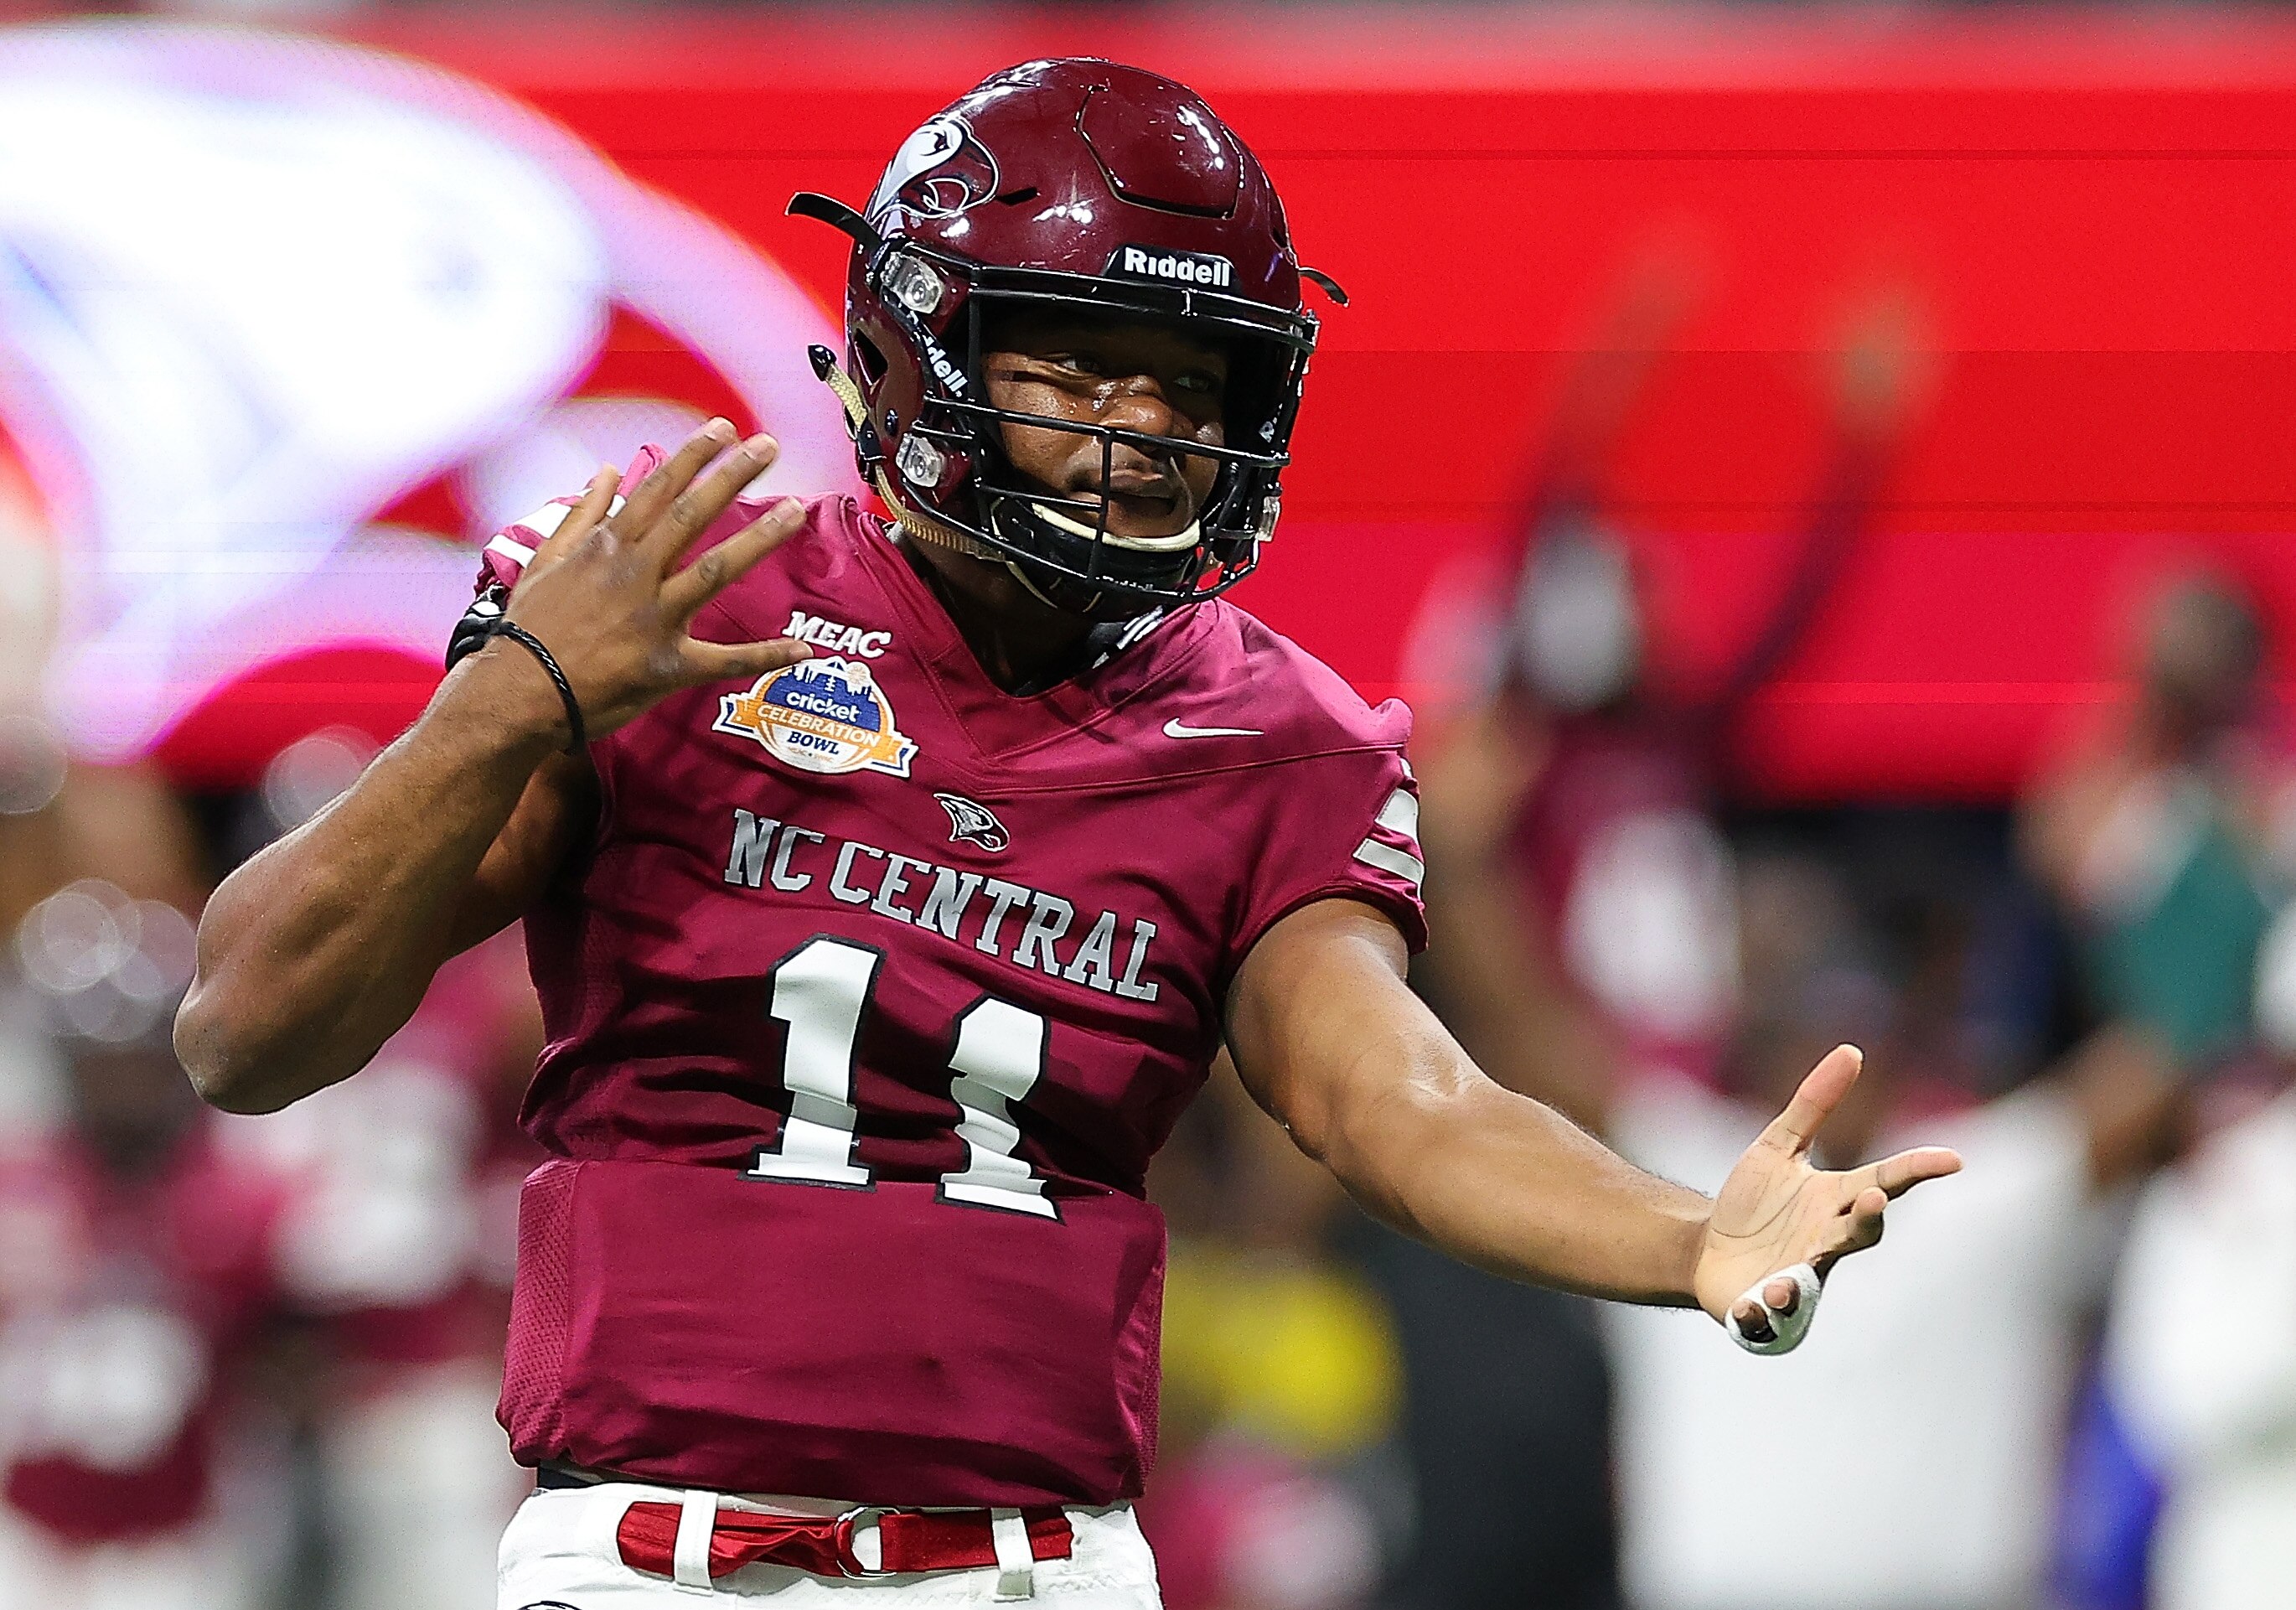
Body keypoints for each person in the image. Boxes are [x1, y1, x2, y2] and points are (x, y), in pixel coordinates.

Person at [176, 60, 1960, 1608]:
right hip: (651, 1554)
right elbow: (245, 1029)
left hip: (1042, 1563)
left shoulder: (1278, 733)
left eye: (1191, 386)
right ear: (916, 343)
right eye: (1090, 372)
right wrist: (507, 702)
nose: (1154, 435)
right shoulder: (670, 595)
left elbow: (1393, 1098)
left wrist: (1682, 1237)